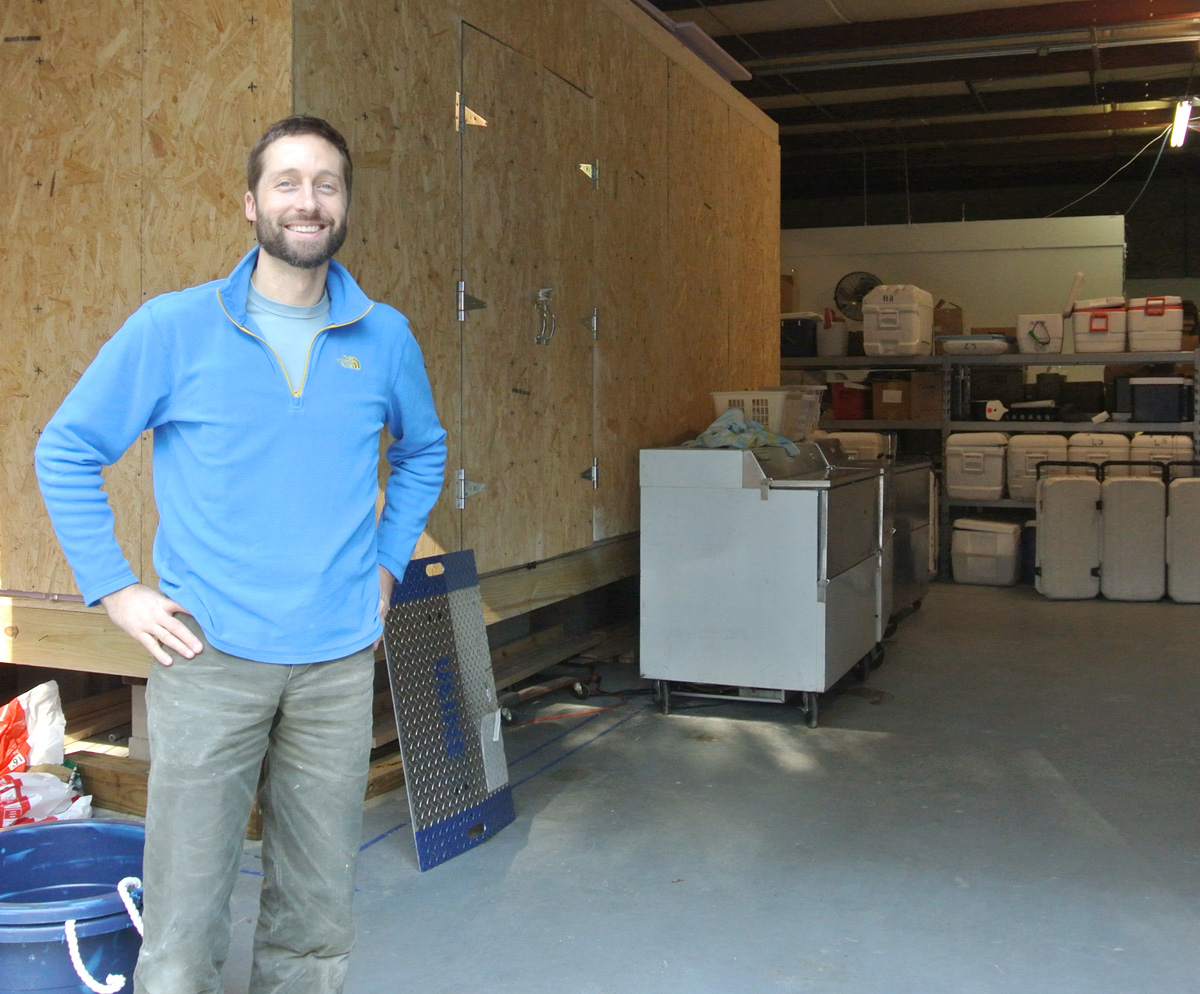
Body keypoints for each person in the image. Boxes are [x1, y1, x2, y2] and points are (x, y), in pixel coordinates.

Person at [35, 116, 447, 993]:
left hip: (336, 659)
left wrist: (385, 565)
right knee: (184, 913)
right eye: (288, 182)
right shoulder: (175, 327)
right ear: (250, 202)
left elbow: (424, 452)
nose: (308, 201)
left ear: (345, 205)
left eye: (327, 184)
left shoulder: (386, 337)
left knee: (315, 908)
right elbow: (66, 449)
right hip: (209, 652)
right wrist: (114, 590)